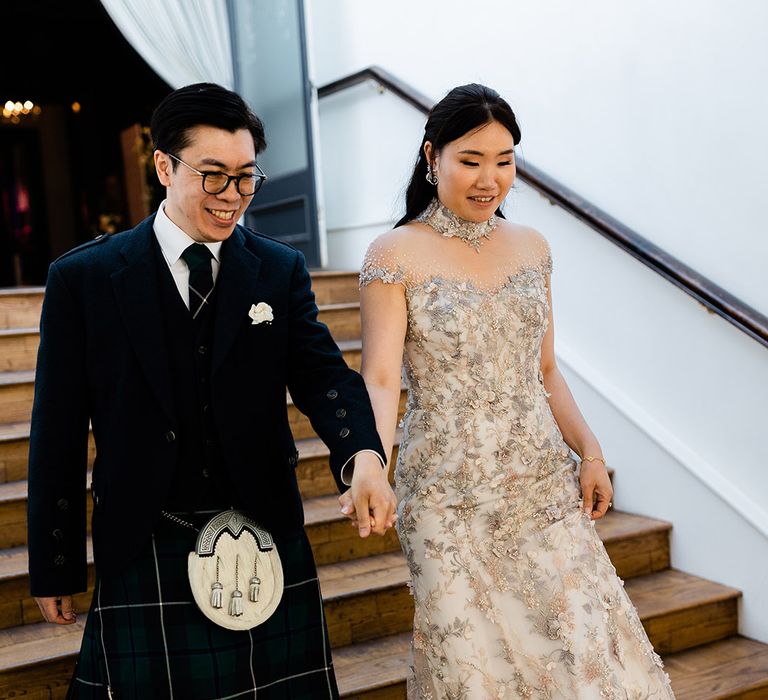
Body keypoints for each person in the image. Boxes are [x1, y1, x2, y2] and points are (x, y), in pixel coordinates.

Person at [27, 82, 396, 699]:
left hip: (263, 531)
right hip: (146, 536)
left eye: (247, 178)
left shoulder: (278, 268)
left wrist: (363, 454)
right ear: (164, 165)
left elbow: (325, 376)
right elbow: (57, 429)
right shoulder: (84, 279)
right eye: (214, 176)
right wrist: (54, 561)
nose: (233, 198)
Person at [341, 84, 675, 698]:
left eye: (504, 159)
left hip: (538, 485)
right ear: (431, 156)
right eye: (470, 160)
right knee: (474, 667)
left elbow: (545, 370)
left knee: (581, 650)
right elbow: (382, 379)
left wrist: (591, 451)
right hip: (446, 494)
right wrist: (370, 461)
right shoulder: (394, 254)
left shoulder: (532, 249)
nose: (489, 178)